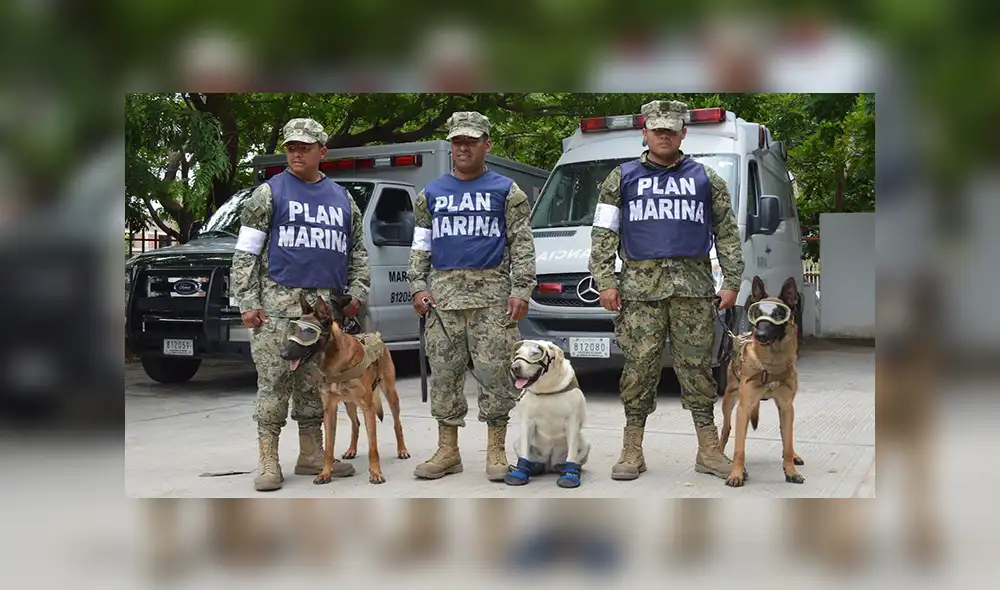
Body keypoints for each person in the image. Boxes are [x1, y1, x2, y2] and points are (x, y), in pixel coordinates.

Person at [587, 99, 745, 481]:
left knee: (698, 370)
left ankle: (709, 450)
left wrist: (732, 281)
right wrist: (605, 281)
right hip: (639, 293)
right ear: (645, 132)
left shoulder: (706, 179)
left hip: (694, 291)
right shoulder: (620, 178)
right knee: (638, 370)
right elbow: (603, 234)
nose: (664, 136)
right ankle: (632, 450)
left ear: (682, 133)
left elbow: (727, 233)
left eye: (671, 130)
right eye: (657, 130)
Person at [231, 117, 371, 492]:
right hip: (276, 309)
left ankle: (311, 454)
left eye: (305, 148)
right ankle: (268, 460)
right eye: (291, 147)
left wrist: (357, 293)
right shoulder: (267, 194)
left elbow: (358, 253)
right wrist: (247, 301)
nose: (296, 153)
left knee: (315, 386)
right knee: (274, 385)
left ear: (322, 151)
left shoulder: (343, 199)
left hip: (323, 315)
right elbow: (245, 254)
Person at [408, 111, 536, 481]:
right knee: (444, 376)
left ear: (486, 145)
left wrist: (521, 289)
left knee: (496, 375)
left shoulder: (506, 191)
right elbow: (421, 245)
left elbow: (522, 244)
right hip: (443, 302)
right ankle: (447, 452)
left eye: (471, 141)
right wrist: (417, 285)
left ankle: (496, 451)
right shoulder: (430, 194)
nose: (463, 148)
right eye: (457, 142)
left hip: (493, 301)